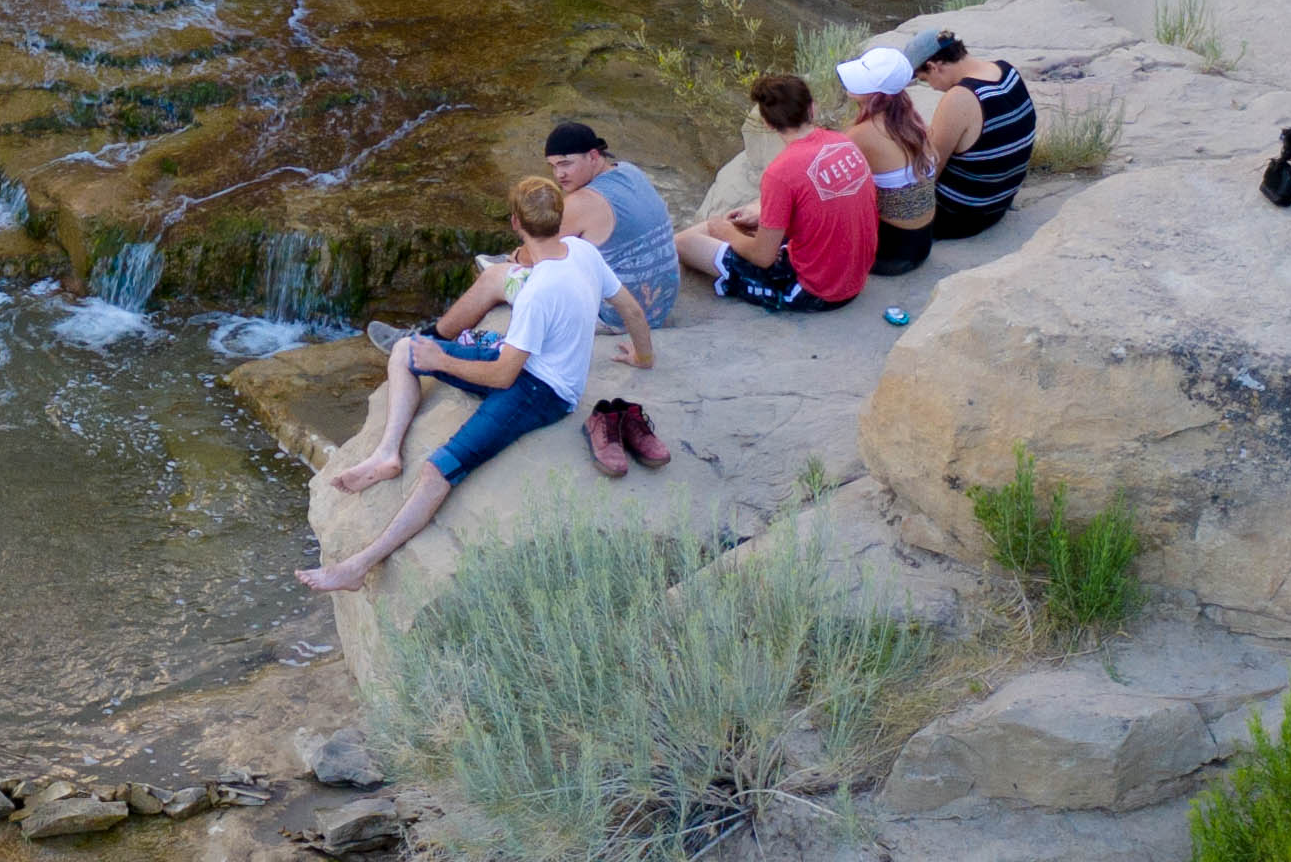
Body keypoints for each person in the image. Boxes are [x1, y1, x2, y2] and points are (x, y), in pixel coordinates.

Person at [300, 178, 643, 593]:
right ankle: (387, 453)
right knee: (406, 349)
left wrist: (442, 359)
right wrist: (645, 357)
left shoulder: (538, 292)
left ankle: (359, 566)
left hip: (543, 393)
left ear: (516, 223)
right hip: (531, 364)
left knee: (437, 470)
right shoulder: (584, 252)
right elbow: (629, 308)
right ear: (560, 218)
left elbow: (504, 376)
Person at [432, 121, 686, 340]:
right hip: (660, 305)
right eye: (553, 166)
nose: (559, 175)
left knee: (492, 278)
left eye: (566, 164)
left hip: (616, 316)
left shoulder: (583, 202)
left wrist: (515, 259)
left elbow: (535, 255)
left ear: (594, 156)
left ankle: (434, 338)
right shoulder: (629, 171)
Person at [673, 71, 879, 315]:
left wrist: (728, 234)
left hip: (814, 292)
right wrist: (763, 219)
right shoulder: (843, 142)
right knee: (735, 228)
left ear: (767, 123)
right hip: (855, 276)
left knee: (683, 242)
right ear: (812, 108)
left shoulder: (780, 172)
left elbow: (763, 257)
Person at [904, 28, 1041, 241]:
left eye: (924, 79)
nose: (930, 87)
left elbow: (928, 172)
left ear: (934, 67)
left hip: (961, 215)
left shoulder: (961, 98)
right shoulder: (1007, 70)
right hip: (999, 201)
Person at [841, 47, 945, 277]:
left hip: (889, 255)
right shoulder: (911, 123)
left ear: (876, 94)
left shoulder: (862, 134)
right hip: (921, 244)